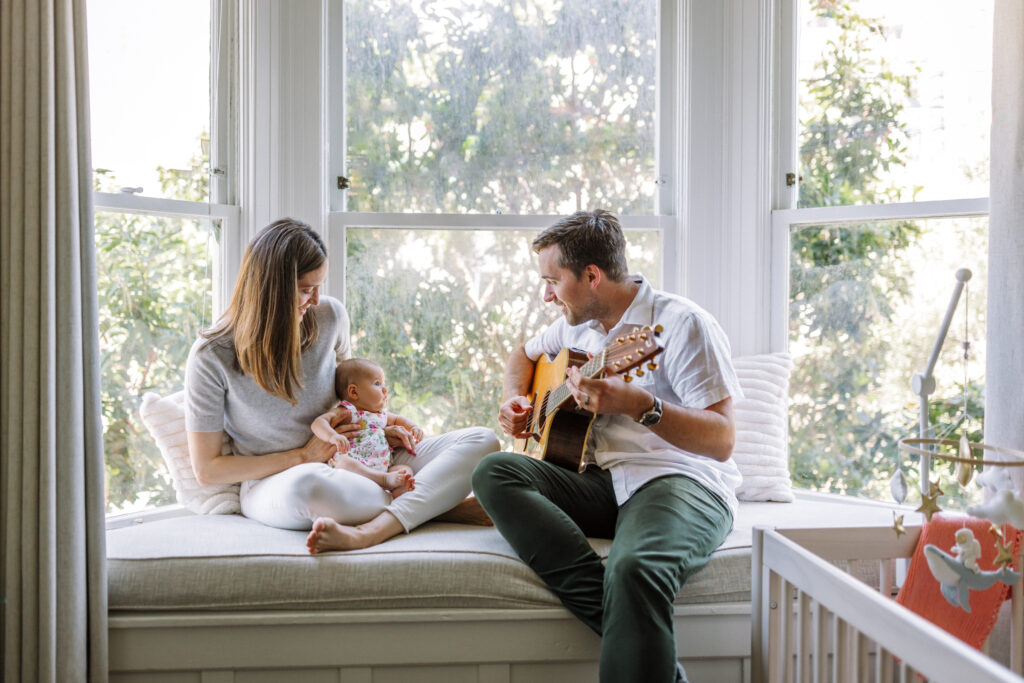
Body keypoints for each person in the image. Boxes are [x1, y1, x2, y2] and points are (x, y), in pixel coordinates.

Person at [472, 209, 743, 683]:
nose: (546, 295)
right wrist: (516, 401)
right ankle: (636, 635)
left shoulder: (679, 325)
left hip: (676, 479)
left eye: (552, 281)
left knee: (635, 569)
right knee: (494, 472)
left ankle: (633, 625)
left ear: (592, 276)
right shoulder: (578, 326)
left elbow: (722, 440)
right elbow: (524, 353)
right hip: (601, 482)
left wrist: (642, 406)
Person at [185, 218, 499, 553]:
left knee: (483, 442)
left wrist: (377, 429)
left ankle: (379, 526)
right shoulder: (211, 356)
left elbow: (349, 398)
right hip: (277, 483)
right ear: (270, 292)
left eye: (320, 286)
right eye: (306, 289)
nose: (317, 299)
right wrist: (302, 456)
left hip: (358, 463)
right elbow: (208, 470)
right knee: (310, 487)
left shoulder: (328, 317)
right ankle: (435, 507)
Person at [311, 358, 420, 498]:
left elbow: (399, 420)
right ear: (354, 392)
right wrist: (333, 436)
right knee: (343, 463)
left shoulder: (381, 415)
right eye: (377, 384)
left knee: (405, 470)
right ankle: (384, 481)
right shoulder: (348, 412)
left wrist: (413, 427)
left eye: (384, 383)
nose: (385, 389)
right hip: (355, 466)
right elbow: (318, 423)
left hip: (382, 467)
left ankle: (397, 490)